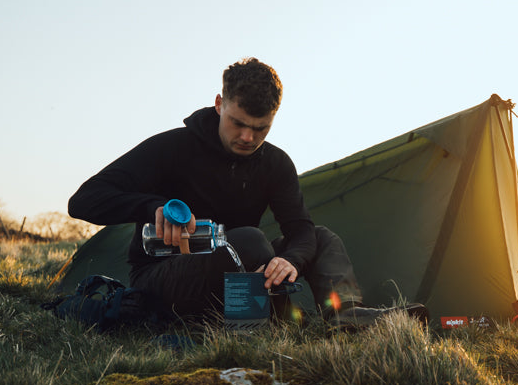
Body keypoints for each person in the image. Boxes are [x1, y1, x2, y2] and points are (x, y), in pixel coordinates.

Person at [69, 57, 414, 328]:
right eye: (238, 123)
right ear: (219, 103)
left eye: (261, 128)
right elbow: (83, 200)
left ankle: (347, 319)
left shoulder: (276, 164)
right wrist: (152, 206)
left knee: (320, 238)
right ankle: (276, 322)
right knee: (247, 241)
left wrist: (289, 260)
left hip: (241, 270)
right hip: (164, 278)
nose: (248, 137)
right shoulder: (172, 147)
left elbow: (300, 230)